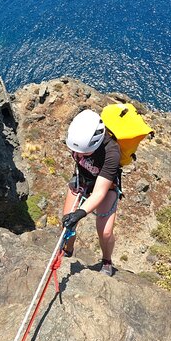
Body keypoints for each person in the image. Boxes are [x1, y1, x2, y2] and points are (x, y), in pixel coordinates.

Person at [61, 109, 122, 276]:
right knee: (67, 223)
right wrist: (74, 216)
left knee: (105, 232)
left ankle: (107, 261)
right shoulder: (77, 139)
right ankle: (68, 250)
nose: (79, 155)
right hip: (82, 179)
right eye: (77, 152)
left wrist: (81, 212)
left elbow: (99, 192)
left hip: (105, 186)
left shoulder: (112, 153)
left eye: (85, 153)